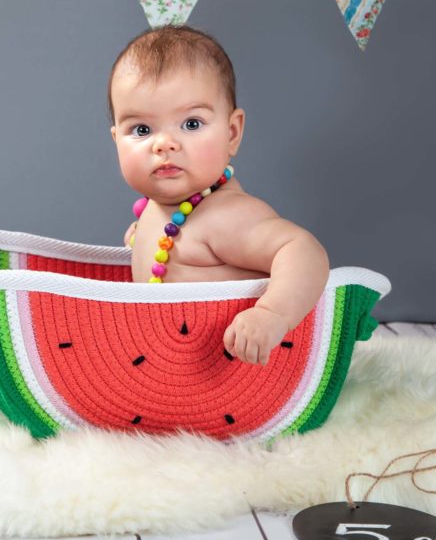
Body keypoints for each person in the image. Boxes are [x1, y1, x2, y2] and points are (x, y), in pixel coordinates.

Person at [108, 24, 329, 367]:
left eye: (192, 124)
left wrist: (272, 314)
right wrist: (141, 237)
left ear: (232, 133)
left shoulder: (228, 215)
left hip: (228, 368)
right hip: (169, 364)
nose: (164, 143)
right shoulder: (162, 208)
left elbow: (303, 250)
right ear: (115, 140)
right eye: (141, 129)